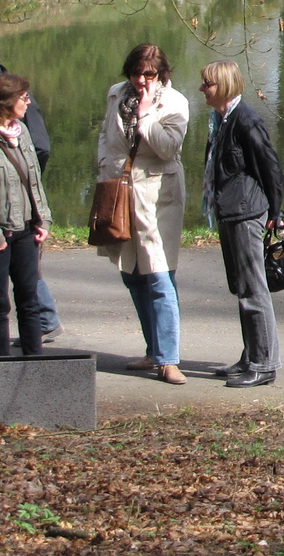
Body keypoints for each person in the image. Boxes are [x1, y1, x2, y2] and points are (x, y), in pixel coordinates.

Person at [97, 43, 190, 385]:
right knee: (131, 273)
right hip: (120, 191)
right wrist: (104, 170)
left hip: (157, 195)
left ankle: (169, 359)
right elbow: (106, 136)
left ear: (161, 73)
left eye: (148, 74)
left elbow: (168, 148)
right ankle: (153, 350)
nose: (140, 80)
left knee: (159, 273)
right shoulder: (116, 95)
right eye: (136, 73)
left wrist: (147, 113)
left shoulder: (175, 102)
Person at [200, 60, 283, 388]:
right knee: (242, 288)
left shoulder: (245, 121)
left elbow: (270, 166)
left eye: (207, 83)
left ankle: (264, 364)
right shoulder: (221, 120)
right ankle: (251, 356)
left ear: (222, 85)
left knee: (253, 289)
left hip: (247, 214)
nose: (202, 89)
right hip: (230, 212)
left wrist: (275, 212)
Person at [0, 59, 59, 340]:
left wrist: (42, 218)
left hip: (25, 228)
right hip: (2, 231)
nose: (29, 102)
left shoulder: (21, 132)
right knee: (1, 304)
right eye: (24, 97)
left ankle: (34, 364)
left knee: (29, 299)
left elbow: (34, 176)